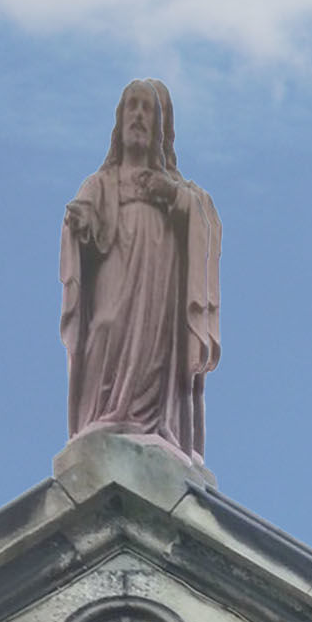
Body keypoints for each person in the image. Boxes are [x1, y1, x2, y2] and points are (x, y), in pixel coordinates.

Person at [61, 80, 221, 459]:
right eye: (130, 107)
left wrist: (171, 196)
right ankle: (103, 415)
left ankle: (154, 422)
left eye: (146, 109)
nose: (137, 115)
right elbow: (80, 220)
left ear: (160, 126)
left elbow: (205, 224)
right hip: (117, 267)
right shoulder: (102, 182)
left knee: (154, 345)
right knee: (106, 326)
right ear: (119, 122)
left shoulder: (181, 189)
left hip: (158, 280)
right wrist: (79, 226)